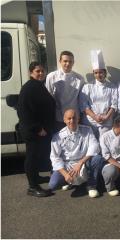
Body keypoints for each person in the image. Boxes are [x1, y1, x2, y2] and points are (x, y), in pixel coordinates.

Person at [17, 62, 56, 197]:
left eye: (42, 71)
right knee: (31, 157)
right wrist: (38, 128)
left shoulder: (38, 85)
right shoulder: (29, 88)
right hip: (32, 130)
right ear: (30, 73)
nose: (40, 73)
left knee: (36, 156)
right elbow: (24, 112)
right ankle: (32, 187)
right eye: (37, 71)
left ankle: (36, 177)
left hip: (38, 129)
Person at [48, 109, 104, 198]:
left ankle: (91, 185)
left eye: (74, 118)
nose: (72, 121)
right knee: (53, 185)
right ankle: (69, 182)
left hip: (83, 163)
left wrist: (81, 162)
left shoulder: (87, 130)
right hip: (67, 165)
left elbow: (94, 146)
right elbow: (55, 157)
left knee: (98, 159)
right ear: (64, 120)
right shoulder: (58, 136)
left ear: (78, 119)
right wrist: (65, 174)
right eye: (69, 118)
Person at [79, 50, 117, 139]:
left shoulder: (112, 87)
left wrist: (106, 117)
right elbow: (84, 105)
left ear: (105, 73)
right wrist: (95, 116)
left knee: (104, 145)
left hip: (107, 121)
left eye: (101, 72)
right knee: (92, 145)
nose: (98, 75)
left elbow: (114, 104)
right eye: (96, 73)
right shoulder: (87, 86)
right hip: (90, 121)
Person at [46, 50, 85, 131]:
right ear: (60, 61)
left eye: (70, 61)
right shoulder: (51, 76)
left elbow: (81, 99)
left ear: (73, 62)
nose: (67, 64)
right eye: (65, 61)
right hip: (59, 116)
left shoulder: (79, 78)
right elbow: (49, 97)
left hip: (74, 116)